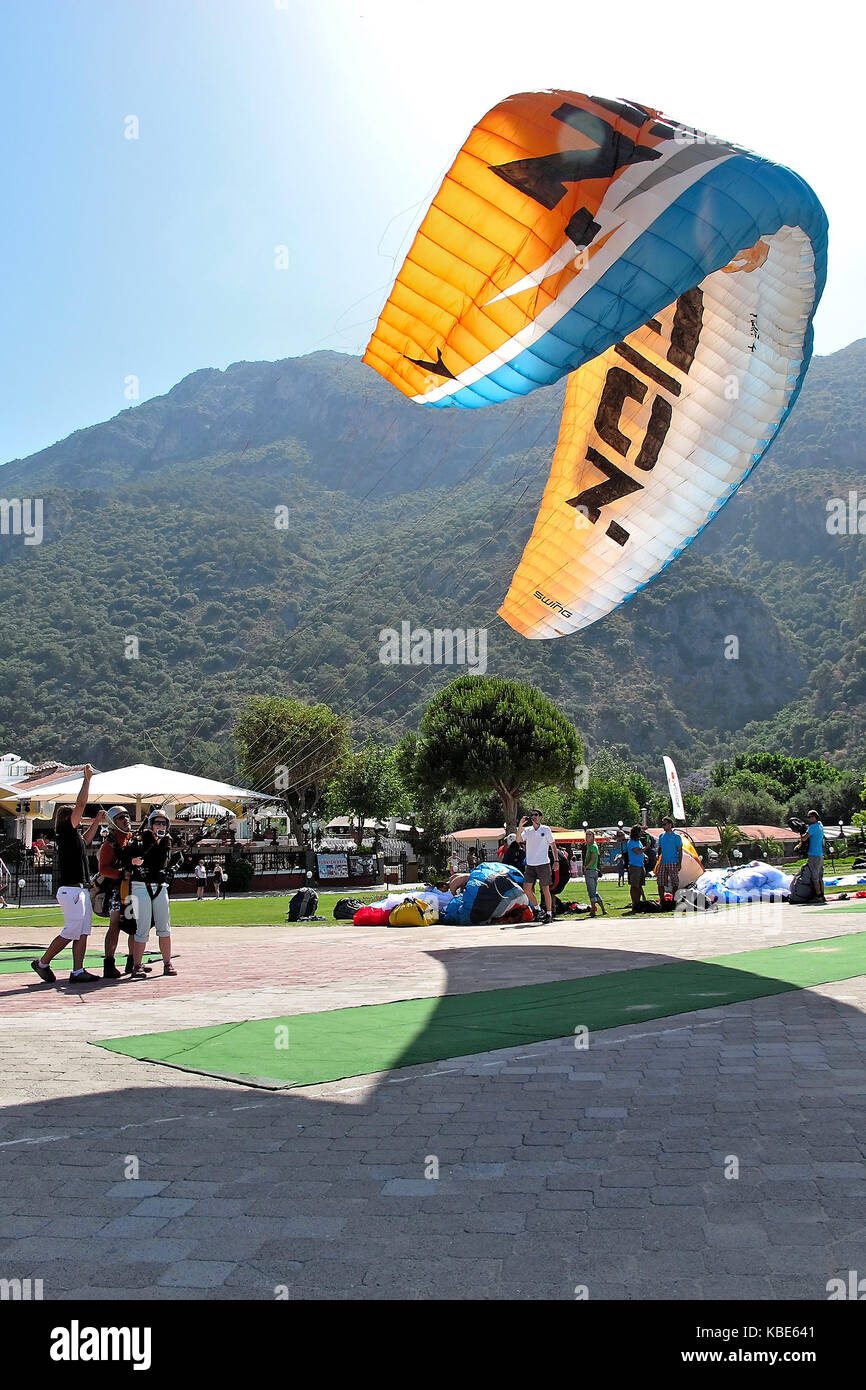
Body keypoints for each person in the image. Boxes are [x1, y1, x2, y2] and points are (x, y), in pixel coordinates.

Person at [31, 766, 105, 984]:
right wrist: (87, 780)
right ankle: (42, 962)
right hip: (71, 889)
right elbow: (81, 804)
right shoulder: (65, 832)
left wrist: (96, 822)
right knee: (72, 930)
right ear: (66, 819)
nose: (79, 818)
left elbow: (87, 840)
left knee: (83, 932)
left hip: (79, 889)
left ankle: (77, 970)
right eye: (75, 815)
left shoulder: (74, 839)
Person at [128, 809, 177, 978]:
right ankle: (137, 965)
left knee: (164, 926)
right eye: (157, 823)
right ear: (151, 824)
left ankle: (167, 962)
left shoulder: (167, 841)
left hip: (160, 885)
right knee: (142, 927)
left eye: (164, 823)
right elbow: (129, 858)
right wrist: (136, 860)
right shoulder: (140, 840)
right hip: (141, 885)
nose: (161, 826)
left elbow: (167, 862)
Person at [97, 806, 135, 978]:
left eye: (126, 816)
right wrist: (120, 873)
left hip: (132, 889)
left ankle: (133, 961)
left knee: (135, 926)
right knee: (115, 926)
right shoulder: (109, 845)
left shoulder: (132, 839)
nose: (125, 819)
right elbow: (103, 869)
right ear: (113, 822)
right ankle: (109, 962)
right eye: (120, 818)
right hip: (115, 890)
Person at [517, 809, 556, 920]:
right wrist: (520, 825)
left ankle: (549, 914)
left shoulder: (546, 829)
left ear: (540, 817)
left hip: (543, 863)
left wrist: (556, 861)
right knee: (527, 889)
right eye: (532, 815)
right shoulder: (528, 830)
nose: (533, 816)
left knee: (545, 889)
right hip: (530, 864)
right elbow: (518, 839)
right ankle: (538, 909)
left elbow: (553, 845)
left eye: (536, 815)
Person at [798, 810, 826, 903]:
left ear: (814, 817)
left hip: (813, 854)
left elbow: (804, 838)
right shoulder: (820, 825)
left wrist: (800, 832)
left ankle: (818, 895)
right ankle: (822, 894)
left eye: (810, 817)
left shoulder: (812, 827)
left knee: (815, 877)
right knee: (820, 876)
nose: (809, 819)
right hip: (820, 854)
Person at [656, 817, 683, 906]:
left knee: (675, 882)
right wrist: (658, 856)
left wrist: (679, 862)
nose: (663, 826)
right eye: (662, 824)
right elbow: (660, 847)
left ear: (670, 825)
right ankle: (662, 901)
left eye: (665, 824)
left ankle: (673, 901)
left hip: (673, 862)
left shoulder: (676, 837)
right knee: (660, 882)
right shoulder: (661, 836)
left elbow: (680, 850)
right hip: (663, 862)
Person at [582, 829, 606, 916]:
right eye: (587, 834)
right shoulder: (590, 846)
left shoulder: (593, 847)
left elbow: (592, 859)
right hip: (593, 871)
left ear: (593, 837)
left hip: (591, 871)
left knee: (591, 892)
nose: (587, 836)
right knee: (594, 891)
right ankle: (603, 910)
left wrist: (586, 867)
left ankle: (593, 910)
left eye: (590, 835)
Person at [625, 824, 646, 911]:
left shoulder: (638, 842)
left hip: (641, 865)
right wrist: (647, 846)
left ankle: (639, 902)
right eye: (640, 831)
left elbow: (641, 852)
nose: (641, 833)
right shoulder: (631, 842)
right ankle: (634, 903)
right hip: (634, 866)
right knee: (634, 886)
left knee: (639, 885)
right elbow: (638, 851)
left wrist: (645, 855)